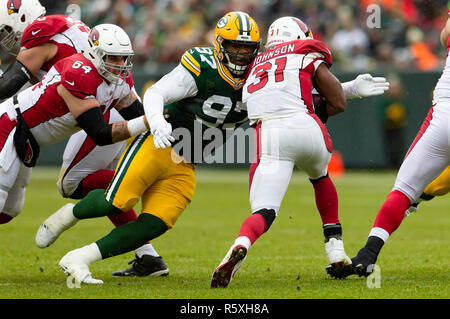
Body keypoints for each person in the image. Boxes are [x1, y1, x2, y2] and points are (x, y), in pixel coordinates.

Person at [40, 12, 389, 285]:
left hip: (189, 160)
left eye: (246, 48)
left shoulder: (259, 70)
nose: (240, 54)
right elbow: (157, 91)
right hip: (162, 143)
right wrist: (156, 122)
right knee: (117, 199)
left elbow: (299, 99)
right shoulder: (202, 63)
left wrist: (351, 89)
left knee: (155, 223)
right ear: (220, 43)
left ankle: (80, 257)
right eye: (234, 46)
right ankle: (66, 217)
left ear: (257, 49)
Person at [209, 16, 385, 288]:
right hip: (306, 127)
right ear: (301, 34)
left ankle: (241, 243)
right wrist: (349, 90)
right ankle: (335, 248)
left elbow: (280, 92)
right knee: (320, 176)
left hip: (269, 135)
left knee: (264, 211)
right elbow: (336, 101)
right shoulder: (305, 50)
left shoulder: (254, 65)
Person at [0, 0, 167, 275]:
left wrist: (161, 121)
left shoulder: (67, 46)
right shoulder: (76, 62)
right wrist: (150, 121)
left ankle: (146, 248)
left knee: (48, 193)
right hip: (77, 114)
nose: (119, 65)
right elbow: (102, 132)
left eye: (122, 59)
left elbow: (8, 84)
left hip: (98, 109)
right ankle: (143, 237)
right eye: (113, 58)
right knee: (26, 200)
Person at [327, 12, 450, 279]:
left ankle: (369, 253)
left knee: (405, 189)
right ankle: (422, 194)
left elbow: (445, 35)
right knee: (432, 186)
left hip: (445, 114)